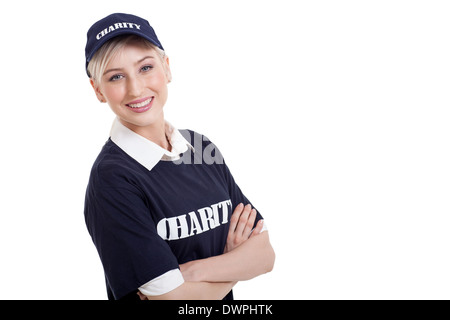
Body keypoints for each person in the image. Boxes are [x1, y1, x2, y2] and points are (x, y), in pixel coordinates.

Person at [83, 13, 275, 300]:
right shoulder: (112, 179)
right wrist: (235, 264)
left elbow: (264, 256)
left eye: (146, 67)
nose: (136, 89)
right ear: (98, 90)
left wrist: (192, 273)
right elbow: (172, 300)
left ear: (167, 69)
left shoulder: (200, 147)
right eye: (116, 77)